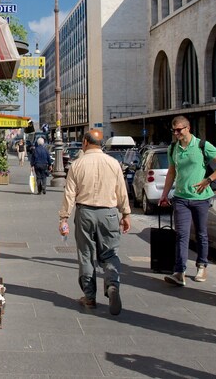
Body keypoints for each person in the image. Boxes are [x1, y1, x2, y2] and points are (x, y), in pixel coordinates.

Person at [59, 129, 131, 315]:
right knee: (110, 254)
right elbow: (121, 190)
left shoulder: (77, 164)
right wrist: (126, 214)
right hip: (109, 213)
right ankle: (112, 285)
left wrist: (64, 217)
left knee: (86, 255)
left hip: (85, 213)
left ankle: (89, 297)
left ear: (84, 142)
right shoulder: (114, 163)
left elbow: (69, 194)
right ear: (101, 144)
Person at [158, 116, 216, 286]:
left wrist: (208, 180)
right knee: (181, 234)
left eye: (179, 130)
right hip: (180, 198)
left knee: (201, 233)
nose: (176, 133)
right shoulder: (173, 148)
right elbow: (171, 172)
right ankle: (179, 271)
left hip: (201, 198)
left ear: (188, 128)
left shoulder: (202, 145)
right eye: (174, 130)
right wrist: (164, 194)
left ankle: (202, 265)